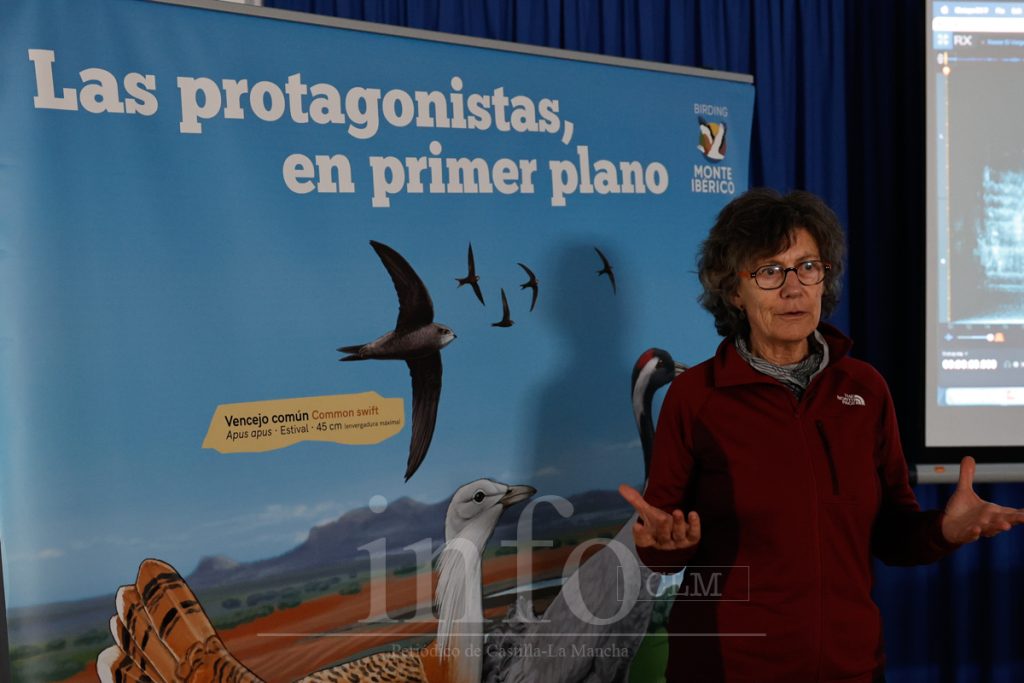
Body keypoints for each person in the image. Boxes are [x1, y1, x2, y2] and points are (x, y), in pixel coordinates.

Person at [618, 188, 1024, 683]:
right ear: (733, 291)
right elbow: (664, 541)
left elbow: (893, 536)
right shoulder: (696, 397)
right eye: (770, 271)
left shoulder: (865, 389)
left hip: (851, 668)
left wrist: (943, 531)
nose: (793, 289)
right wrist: (663, 546)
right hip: (729, 670)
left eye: (808, 267)